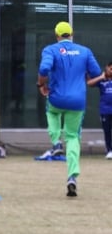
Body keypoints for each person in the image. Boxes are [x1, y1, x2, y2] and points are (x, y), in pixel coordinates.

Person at [37, 21, 101, 197]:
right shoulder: (85, 51)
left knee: (52, 112)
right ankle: (72, 177)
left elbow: (44, 68)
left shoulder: (50, 50)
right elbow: (95, 73)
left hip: (57, 98)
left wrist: (41, 84)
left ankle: (56, 141)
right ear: (71, 34)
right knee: (73, 137)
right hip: (77, 101)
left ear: (57, 35)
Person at [87, 61, 112, 160]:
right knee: (107, 132)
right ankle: (109, 150)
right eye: (110, 68)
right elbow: (89, 83)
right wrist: (101, 77)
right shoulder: (102, 80)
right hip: (105, 110)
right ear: (107, 68)